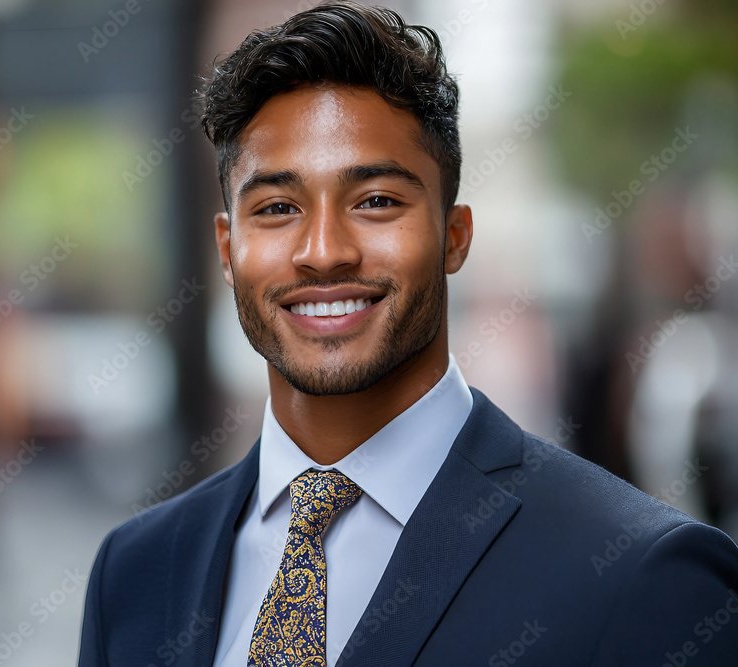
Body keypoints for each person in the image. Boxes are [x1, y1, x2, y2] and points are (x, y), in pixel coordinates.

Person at [78, 2, 738, 665]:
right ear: (228, 250)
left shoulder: (642, 575)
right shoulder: (133, 575)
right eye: (277, 208)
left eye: (376, 202)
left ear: (454, 236)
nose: (325, 250)